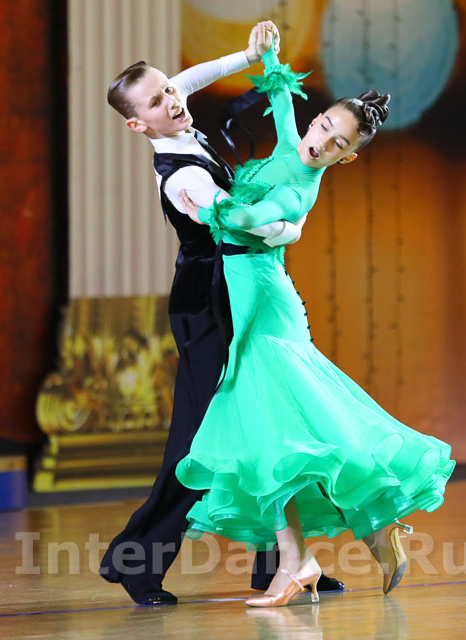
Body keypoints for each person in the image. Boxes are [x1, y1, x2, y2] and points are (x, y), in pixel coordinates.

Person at [175, 38, 456, 607]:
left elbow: (250, 216)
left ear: (346, 158)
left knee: (272, 433)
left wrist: (203, 209)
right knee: (279, 435)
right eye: (324, 126)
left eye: (337, 143)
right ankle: (358, 534)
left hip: (264, 302)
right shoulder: (292, 144)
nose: (320, 141)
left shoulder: (300, 190)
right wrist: (269, 54)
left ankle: (305, 557)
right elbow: (281, 97)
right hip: (250, 297)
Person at [99, 22, 345, 606]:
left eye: (168, 89)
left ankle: (281, 565)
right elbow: (241, 222)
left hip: (234, 289)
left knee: (267, 421)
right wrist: (293, 228)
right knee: (199, 439)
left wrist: (249, 54)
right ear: (138, 125)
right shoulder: (182, 175)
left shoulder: (176, 116)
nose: (172, 99)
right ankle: (137, 564)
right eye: (156, 101)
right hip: (208, 304)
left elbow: (188, 79)